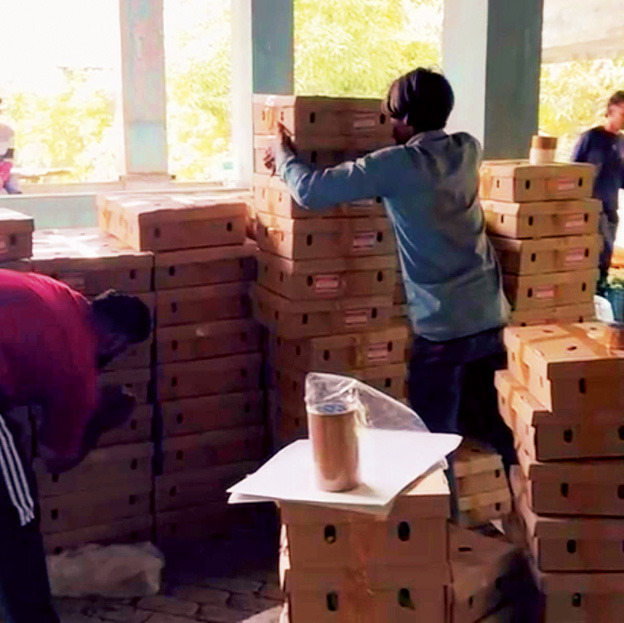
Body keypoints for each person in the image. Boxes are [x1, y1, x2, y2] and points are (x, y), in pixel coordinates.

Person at [264, 67, 515, 468]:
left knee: (433, 450)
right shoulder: (468, 149)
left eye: (394, 117)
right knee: (500, 434)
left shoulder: (396, 166)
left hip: (443, 329)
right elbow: (426, 195)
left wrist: (283, 155)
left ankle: (442, 508)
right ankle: (529, 502)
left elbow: (311, 191)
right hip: (489, 315)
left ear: (408, 118)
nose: (390, 126)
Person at [0, 269, 152, 623]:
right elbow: (55, 459)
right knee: (18, 515)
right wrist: (100, 421)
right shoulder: (78, 370)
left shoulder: (57, 291)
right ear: (115, 341)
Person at [572, 91, 624, 293]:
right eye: (622, 114)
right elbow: (574, 170)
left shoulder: (621, 142)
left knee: (605, 256)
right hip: (591, 207)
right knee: (594, 254)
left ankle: (600, 291)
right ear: (610, 112)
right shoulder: (591, 138)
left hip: (611, 208)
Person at [0, 98, 20, 195]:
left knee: (13, 185)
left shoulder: (7, 132)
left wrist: (2, 177)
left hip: (3, 175)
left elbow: (8, 160)